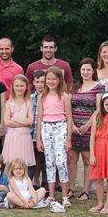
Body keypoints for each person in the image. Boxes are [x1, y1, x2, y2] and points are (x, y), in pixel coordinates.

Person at [36, 66, 73, 206]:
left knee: (61, 162)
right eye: (48, 79)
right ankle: (51, 196)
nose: (51, 81)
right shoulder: (42, 96)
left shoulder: (64, 96)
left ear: (59, 80)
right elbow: (39, 118)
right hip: (46, 128)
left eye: (54, 79)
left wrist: (68, 138)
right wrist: (38, 138)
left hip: (60, 128)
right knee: (49, 162)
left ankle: (65, 197)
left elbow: (69, 118)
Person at [69, 59, 104, 201]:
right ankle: (71, 188)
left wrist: (87, 125)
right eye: (83, 69)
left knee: (87, 159)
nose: (85, 72)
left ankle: (85, 191)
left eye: (88, 70)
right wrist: (71, 124)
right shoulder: (75, 87)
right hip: (73, 127)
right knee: (71, 159)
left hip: (89, 128)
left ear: (93, 71)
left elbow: (99, 109)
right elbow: (68, 107)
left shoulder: (99, 87)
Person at [1, 75, 36, 171]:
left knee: (23, 162)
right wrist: (23, 122)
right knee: (12, 162)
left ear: (26, 87)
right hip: (12, 136)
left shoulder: (28, 102)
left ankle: (23, 183)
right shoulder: (9, 103)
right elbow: (6, 122)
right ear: (12, 87)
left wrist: (14, 119)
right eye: (17, 86)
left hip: (24, 136)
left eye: (22, 86)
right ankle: (11, 183)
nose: (19, 88)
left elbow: (30, 121)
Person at [30, 70, 46, 186]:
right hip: (32, 134)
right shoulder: (30, 98)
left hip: (45, 135)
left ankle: (46, 185)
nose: (40, 84)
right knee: (33, 161)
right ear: (33, 83)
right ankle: (34, 182)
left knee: (44, 161)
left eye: (42, 82)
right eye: (38, 82)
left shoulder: (49, 97)